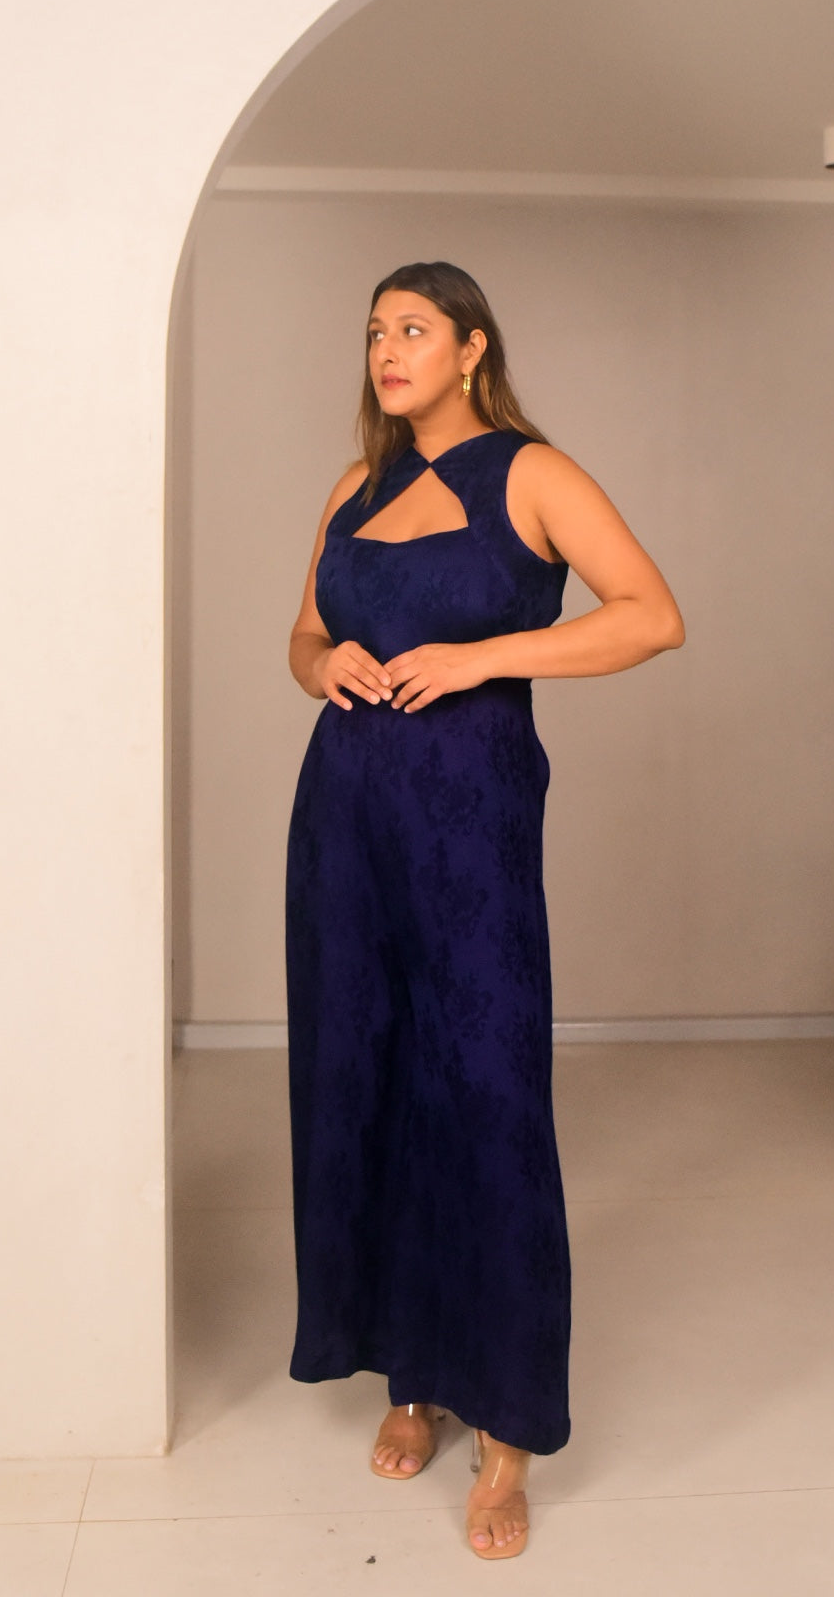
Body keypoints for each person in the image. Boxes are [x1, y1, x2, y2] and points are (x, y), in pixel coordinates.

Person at [285, 260, 685, 1560]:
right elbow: (301, 639)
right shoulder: (354, 488)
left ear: (470, 349)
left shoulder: (533, 474)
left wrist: (482, 658)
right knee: (367, 1076)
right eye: (374, 331)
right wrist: (325, 664)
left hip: (471, 814)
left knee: (485, 1092)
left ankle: (506, 1426)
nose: (387, 349)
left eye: (413, 328)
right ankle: (411, 1371)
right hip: (345, 816)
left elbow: (652, 617)